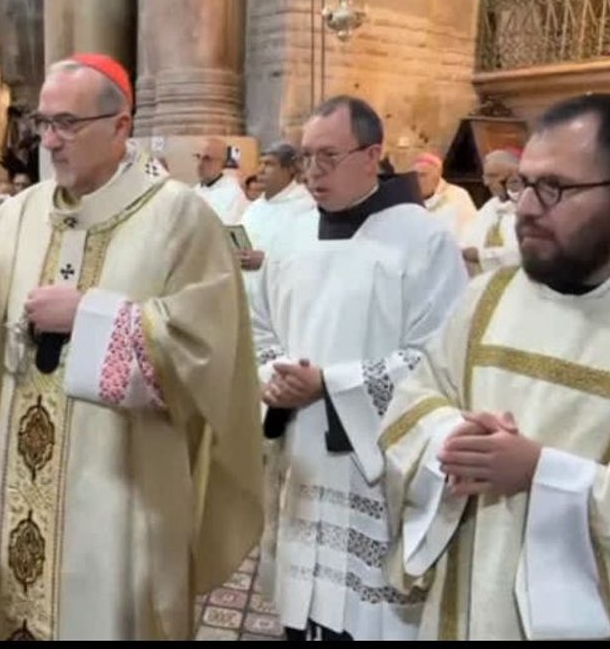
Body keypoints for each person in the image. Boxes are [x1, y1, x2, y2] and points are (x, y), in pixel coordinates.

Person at [0, 53, 263, 641]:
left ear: (121, 125)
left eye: (67, 124)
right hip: (8, 478)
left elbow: (208, 351)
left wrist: (90, 316)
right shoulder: (21, 213)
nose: (50, 141)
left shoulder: (180, 219)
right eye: (43, 123)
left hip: (119, 487)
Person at [379, 93, 610, 640]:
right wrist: (455, 438)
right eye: (522, 184)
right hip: (467, 607)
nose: (524, 206)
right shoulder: (491, 295)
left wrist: (542, 476)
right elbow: (416, 400)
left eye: (554, 188)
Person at [250, 96, 467, 641]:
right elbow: (259, 329)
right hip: (300, 452)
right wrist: (273, 378)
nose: (313, 173)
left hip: (375, 463)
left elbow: (438, 357)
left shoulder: (423, 238)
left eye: (329, 156)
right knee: (302, 613)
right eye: (306, 158)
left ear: (372, 155)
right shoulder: (290, 235)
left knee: (368, 619)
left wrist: (330, 384)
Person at [236, 141, 313, 275]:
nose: (260, 170)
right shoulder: (253, 208)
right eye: (260, 163)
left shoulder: (306, 207)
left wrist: (266, 262)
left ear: (290, 169)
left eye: (269, 164)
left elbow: (309, 260)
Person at [460, 148, 523, 275]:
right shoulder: (490, 206)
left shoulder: (530, 207)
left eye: (493, 176)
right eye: (485, 176)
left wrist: (483, 255)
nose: (486, 183)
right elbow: (466, 241)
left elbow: (527, 254)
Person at [415, 152, 477, 241]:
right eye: (415, 176)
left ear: (438, 175)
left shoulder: (458, 196)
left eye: (423, 175)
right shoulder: (408, 199)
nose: (417, 181)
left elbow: (468, 230)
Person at [193, 136, 250, 224]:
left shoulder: (233, 194)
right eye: (198, 156)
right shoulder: (194, 191)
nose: (200, 164)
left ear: (222, 162)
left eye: (207, 159)